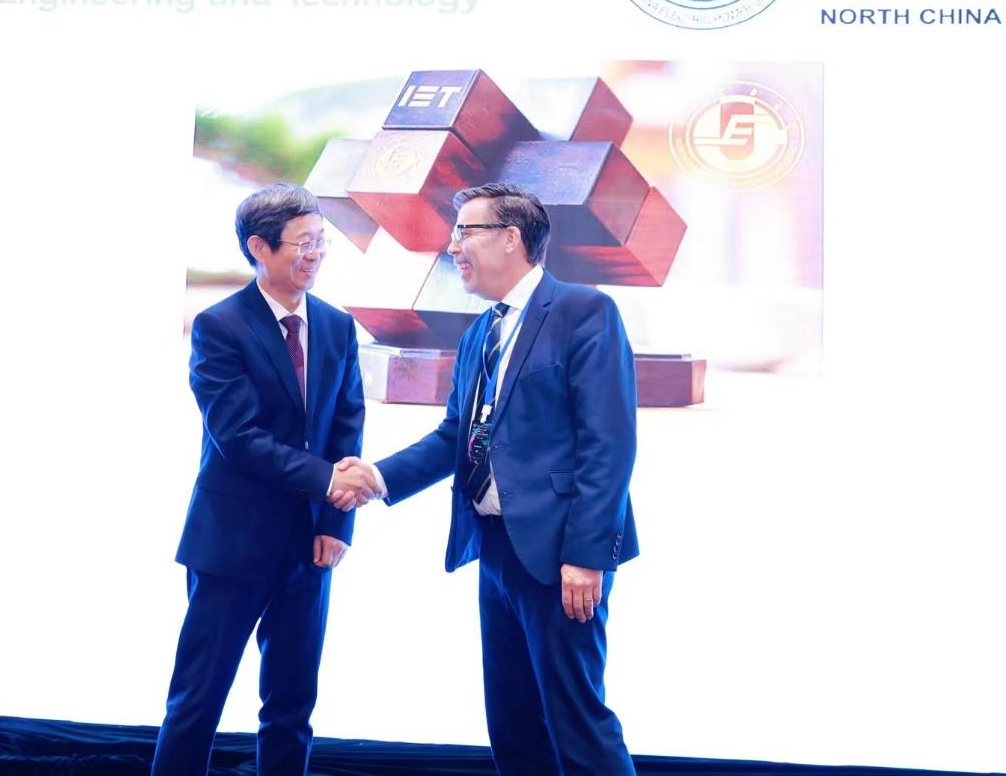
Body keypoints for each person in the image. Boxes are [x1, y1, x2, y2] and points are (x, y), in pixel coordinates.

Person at [336, 182, 640, 775]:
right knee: (512, 722)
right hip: (496, 546)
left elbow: (609, 444)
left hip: (559, 552)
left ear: (510, 238)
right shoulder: (480, 331)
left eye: (464, 232)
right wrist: (377, 476)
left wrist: (585, 556)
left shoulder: (583, 311)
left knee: (577, 723)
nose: (452, 246)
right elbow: (457, 435)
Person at [152, 183, 380, 776]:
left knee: (291, 706)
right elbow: (238, 437)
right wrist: (329, 480)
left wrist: (337, 523)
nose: (316, 254)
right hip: (232, 543)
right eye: (303, 243)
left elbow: (347, 425)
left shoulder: (336, 326)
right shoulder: (219, 326)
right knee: (197, 701)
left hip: (310, 546)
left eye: (321, 241)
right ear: (260, 246)